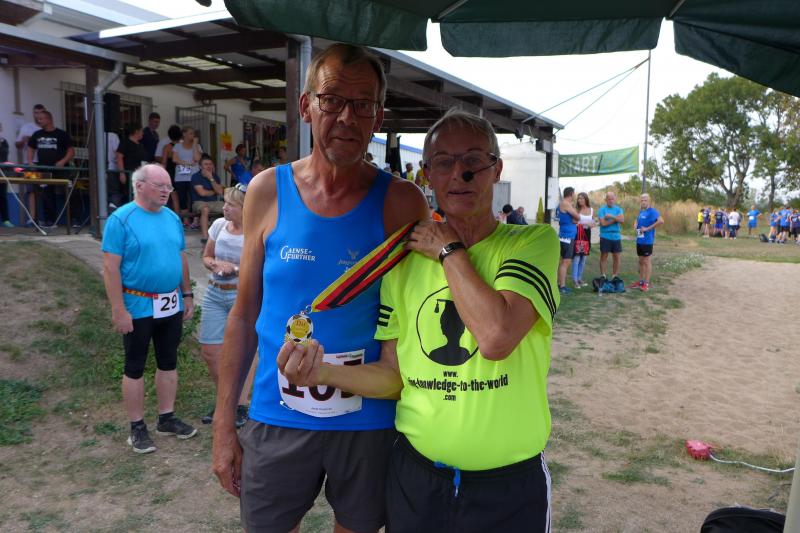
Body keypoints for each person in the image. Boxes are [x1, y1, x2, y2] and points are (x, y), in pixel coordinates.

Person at [278, 109, 559, 533]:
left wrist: (449, 251)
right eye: (444, 162)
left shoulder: (532, 242)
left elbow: (496, 337)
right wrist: (322, 373)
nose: (459, 174)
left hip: (508, 486)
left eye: (474, 160)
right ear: (427, 175)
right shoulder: (402, 264)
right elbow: (394, 376)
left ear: (496, 169)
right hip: (417, 480)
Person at [211, 43, 428, 533]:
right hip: (278, 413)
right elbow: (243, 315)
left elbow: (418, 317)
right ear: (306, 106)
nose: (347, 117)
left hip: (368, 422)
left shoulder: (402, 202)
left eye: (363, 104)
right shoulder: (267, 191)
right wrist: (224, 425)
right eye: (332, 100)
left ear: (379, 117)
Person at [101, 164, 197, 454]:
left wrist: (187, 294)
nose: (167, 191)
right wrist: (118, 309)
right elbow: (110, 268)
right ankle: (137, 426)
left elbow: (180, 257)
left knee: (168, 361)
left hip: (170, 302)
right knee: (135, 365)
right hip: (137, 304)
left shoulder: (172, 217)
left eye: (169, 186)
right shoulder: (121, 219)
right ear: (139, 185)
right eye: (160, 185)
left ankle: (166, 418)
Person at [199, 185, 252, 428]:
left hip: (241, 295)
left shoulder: (254, 230)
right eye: (224, 203)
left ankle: (239, 405)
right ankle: (226, 400)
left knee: (244, 352)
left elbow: (261, 265)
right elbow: (206, 256)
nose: (224, 208)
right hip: (214, 293)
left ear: (244, 208)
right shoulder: (219, 225)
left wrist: (235, 269)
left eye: (230, 204)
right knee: (210, 351)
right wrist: (214, 264)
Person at [26, 110, 74, 226]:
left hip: (62, 169)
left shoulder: (62, 134)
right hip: (44, 169)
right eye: (38, 119)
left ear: (49, 119)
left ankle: (74, 220)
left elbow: (71, 151)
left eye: (41, 119)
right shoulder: (37, 134)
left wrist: (62, 161)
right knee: (47, 195)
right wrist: (31, 162)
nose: (39, 121)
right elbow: (31, 148)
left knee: (69, 193)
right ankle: (50, 221)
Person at [631, 193, 664, 292]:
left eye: (645, 200)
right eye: (642, 200)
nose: (643, 202)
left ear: (649, 201)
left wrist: (648, 228)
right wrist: (635, 224)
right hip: (639, 240)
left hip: (647, 241)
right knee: (641, 261)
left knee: (646, 261)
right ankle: (641, 281)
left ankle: (646, 283)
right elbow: (637, 220)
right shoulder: (642, 211)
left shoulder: (652, 211)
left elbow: (661, 221)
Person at [172, 126, 202, 229]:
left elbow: (197, 158)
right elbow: (175, 159)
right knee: (182, 198)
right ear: (184, 134)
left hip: (194, 176)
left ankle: (195, 221)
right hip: (181, 176)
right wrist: (187, 163)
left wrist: (195, 144)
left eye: (193, 134)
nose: (192, 135)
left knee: (194, 198)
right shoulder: (177, 146)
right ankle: (186, 220)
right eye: (190, 133)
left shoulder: (197, 146)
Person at [191, 155, 225, 244]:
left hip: (214, 202)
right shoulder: (195, 176)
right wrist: (214, 192)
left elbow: (220, 192)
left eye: (210, 164)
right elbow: (202, 193)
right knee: (205, 209)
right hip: (199, 202)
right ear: (200, 166)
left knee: (228, 208)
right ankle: (205, 237)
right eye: (206, 164)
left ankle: (228, 234)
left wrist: (211, 178)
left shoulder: (215, 176)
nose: (209, 166)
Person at [114, 123, 148, 208]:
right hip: (130, 173)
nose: (143, 133)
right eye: (141, 131)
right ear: (136, 131)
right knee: (132, 194)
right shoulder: (125, 143)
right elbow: (119, 156)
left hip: (140, 174)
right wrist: (122, 173)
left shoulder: (140, 144)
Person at [555, 187, 580, 294]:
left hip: (565, 235)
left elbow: (574, 219)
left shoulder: (563, 204)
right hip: (567, 236)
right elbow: (577, 217)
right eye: (574, 193)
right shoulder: (565, 203)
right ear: (571, 194)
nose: (574, 195)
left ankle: (560, 284)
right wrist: (576, 217)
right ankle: (562, 286)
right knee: (566, 262)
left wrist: (575, 218)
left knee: (563, 261)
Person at [598, 191, 624, 280]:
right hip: (605, 236)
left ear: (615, 199)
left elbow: (622, 220)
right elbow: (603, 223)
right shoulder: (602, 210)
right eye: (609, 199)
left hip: (616, 236)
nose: (611, 201)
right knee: (604, 256)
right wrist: (616, 219)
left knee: (616, 257)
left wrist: (611, 216)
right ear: (606, 200)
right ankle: (603, 275)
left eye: (612, 199)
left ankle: (614, 276)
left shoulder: (619, 209)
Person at [158, 125, 183, 214]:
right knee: (184, 196)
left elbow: (164, 162)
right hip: (183, 171)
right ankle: (186, 218)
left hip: (171, 172)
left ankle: (177, 217)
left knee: (174, 196)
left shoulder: (167, 147)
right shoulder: (183, 146)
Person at [571, 192, 593, 288]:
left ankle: (579, 278)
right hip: (578, 234)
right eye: (578, 198)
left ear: (586, 199)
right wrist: (585, 224)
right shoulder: (576, 209)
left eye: (581, 198)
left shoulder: (591, 210)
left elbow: (592, 222)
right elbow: (573, 221)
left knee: (583, 258)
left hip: (587, 234)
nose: (579, 200)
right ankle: (575, 280)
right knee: (576, 257)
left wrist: (592, 224)